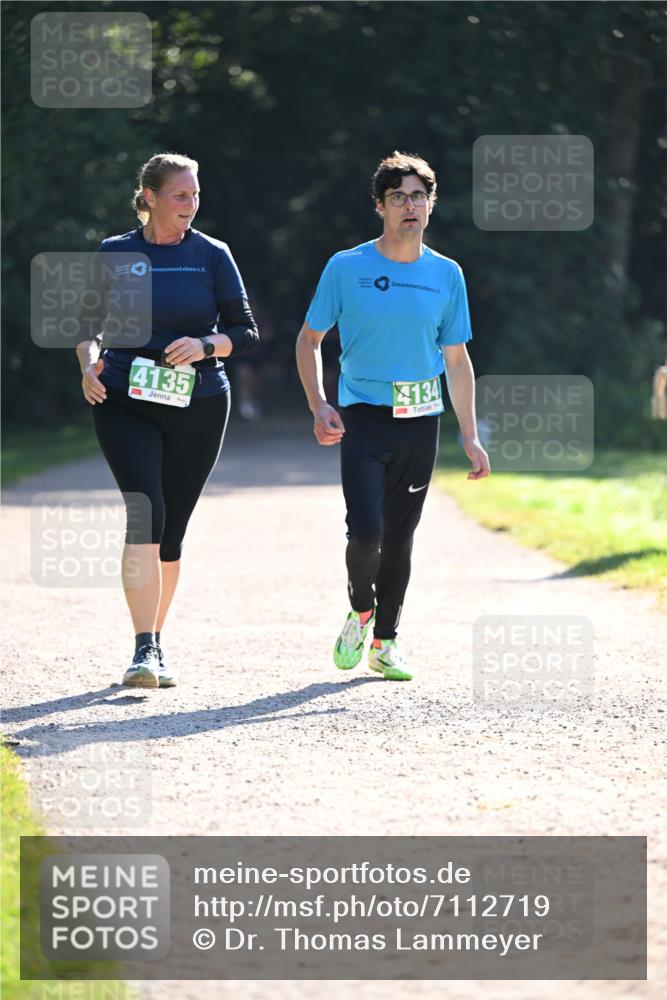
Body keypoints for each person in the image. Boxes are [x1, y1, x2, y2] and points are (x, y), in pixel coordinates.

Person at [296, 150, 489, 681]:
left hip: (420, 421)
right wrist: (320, 405)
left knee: (400, 538)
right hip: (362, 416)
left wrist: (470, 435)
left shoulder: (446, 275)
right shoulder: (347, 267)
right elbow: (309, 339)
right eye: (399, 197)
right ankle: (361, 609)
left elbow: (457, 358)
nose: (410, 206)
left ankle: (386, 641)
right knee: (365, 533)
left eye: (418, 196)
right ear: (380, 206)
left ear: (431, 206)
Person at [76, 152, 258, 688]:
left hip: (198, 404)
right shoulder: (115, 253)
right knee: (144, 515)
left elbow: (245, 332)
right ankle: (144, 649)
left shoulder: (212, 254)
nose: (191, 205)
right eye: (181, 195)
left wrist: (205, 344)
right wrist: (88, 365)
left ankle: (155, 643)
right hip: (124, 399)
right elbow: (88, 329)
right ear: (150, 197)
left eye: (196, 195)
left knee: (171, 533)